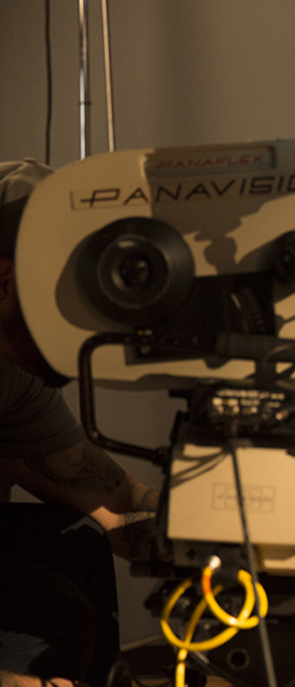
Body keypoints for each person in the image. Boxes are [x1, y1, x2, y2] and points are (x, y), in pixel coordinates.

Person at [0, 160, 159, 687]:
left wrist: (228, 537)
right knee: (56, 613)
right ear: (6, 279)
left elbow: (108, 497)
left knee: (80, 542)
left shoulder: (13, 369)